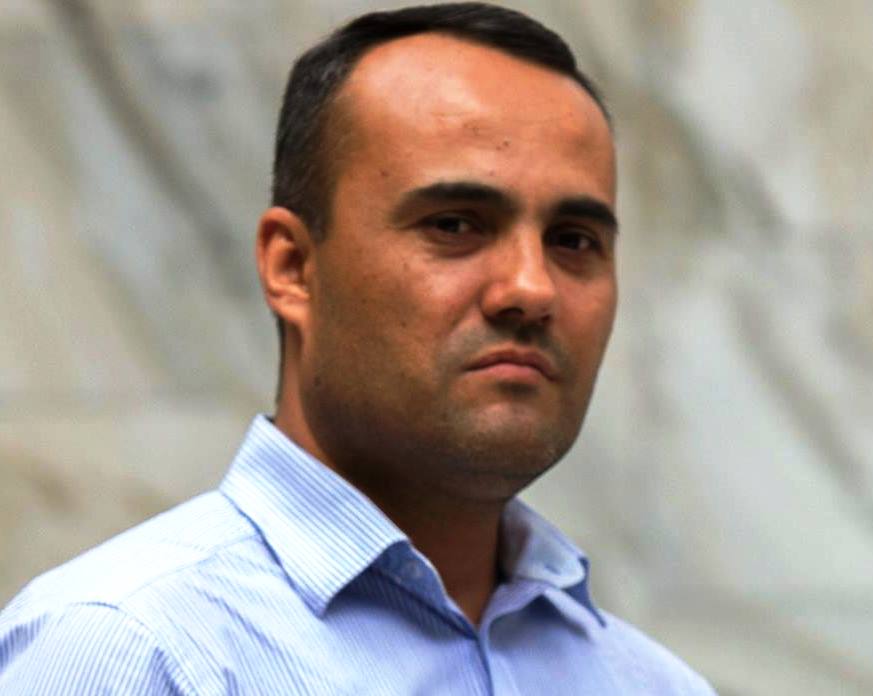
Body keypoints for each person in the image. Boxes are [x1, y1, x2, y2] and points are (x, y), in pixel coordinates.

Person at [0, 4, 715, 694]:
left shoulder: (652, 684)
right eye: (455, 224)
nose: (532, 288)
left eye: (574, 240)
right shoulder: (126, 652)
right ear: (293, 267)